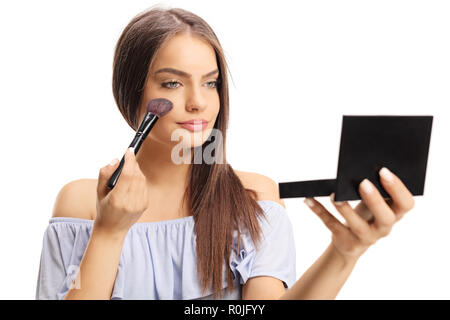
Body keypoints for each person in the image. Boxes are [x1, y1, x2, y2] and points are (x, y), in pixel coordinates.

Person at [35, 6, 415, 300]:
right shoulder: (80, 204)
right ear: (130, 91)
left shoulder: (254, 198)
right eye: (172, 83)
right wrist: (109, 231)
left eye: (211, 83)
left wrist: (345, 252)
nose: (198, 102)